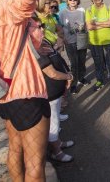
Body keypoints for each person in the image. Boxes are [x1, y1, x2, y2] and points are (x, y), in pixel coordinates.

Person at [0, 0, 92, 181]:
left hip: (2, 92)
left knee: (15, 149)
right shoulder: (8, 3)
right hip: (25, 92)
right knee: (35, 164)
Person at [33, 17, 75, 163]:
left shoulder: (43, 42)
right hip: (49, 92)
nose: (42, 29)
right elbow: (52, 73)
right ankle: (57, 152)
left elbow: (58, 59)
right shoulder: (35, 49)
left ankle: (57, 143)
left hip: (57, 91)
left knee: (56, 120)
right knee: (53, 123)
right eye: (37, 27)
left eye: (42, 25)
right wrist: (68, 76)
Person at [86, 0, 110, 90]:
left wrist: (96, 23)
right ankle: (100, 80)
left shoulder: (109, 8)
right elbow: (89, 27)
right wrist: (106, 24)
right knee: (98, 62)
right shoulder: (89, 10)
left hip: (109, 39)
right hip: (95, 41)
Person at [59, 0, 89, 94]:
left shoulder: (82, 10)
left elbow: (85, 24)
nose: (73, 1)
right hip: (70, 42)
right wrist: (63, 39)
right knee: (74, 63)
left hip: (81, 40)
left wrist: (86, 34)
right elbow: (60, 27)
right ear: (67, 0)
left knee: (82, 61)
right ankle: (73, 83)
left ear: (78, 0)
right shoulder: (63, 12)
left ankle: (81, 78)